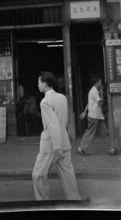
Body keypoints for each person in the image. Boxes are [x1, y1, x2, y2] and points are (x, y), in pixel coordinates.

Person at [32, 71, 81, 201]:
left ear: (46, 84)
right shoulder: (62, 98)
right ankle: (75, 200)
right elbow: (64, 121)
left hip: (51, 145)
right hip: (64, 142)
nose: (38, 85)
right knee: (68, 175)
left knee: (38, 175)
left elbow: (53, 126)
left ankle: (43, 203)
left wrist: (57, 147)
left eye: (39, 82)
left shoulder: (45, 102)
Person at [77, 77, 116, 156]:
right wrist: (101, 93)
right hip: (95, 116)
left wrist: (85, 112)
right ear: (97, 83)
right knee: (91, 133)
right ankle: (81, 148)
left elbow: (89, 103)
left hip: (97, 116)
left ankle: (112, 149)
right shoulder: (94, 92)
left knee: (103, 133)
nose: (101, 83)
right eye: (100, 82)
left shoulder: (92, 91)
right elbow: (100, 103)